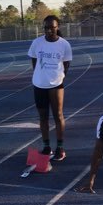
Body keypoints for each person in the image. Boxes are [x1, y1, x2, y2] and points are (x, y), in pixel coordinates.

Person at [28, 15, 73, 161]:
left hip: (56, 85)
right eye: (46, 27)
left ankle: (60, 147)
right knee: (43, 117)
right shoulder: (37, 43)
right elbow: (34, 62)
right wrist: (41, 76)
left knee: (58, 115)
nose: (49, 30)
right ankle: (46, 146)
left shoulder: (64, 44)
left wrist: (59, 77)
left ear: (57, 26)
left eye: (52, 27)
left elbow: (66, 64)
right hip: (39, 84)